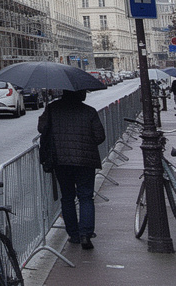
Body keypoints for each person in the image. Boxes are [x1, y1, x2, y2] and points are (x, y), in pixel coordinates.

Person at [38, 89, 106, 250]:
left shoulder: (53, 109)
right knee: (86, 197)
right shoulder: (89, 111)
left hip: (61, 160)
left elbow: (42, 129)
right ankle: (86, 234)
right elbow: (99, 137)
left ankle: (74, 234)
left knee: (67, 197)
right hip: (85, 161)